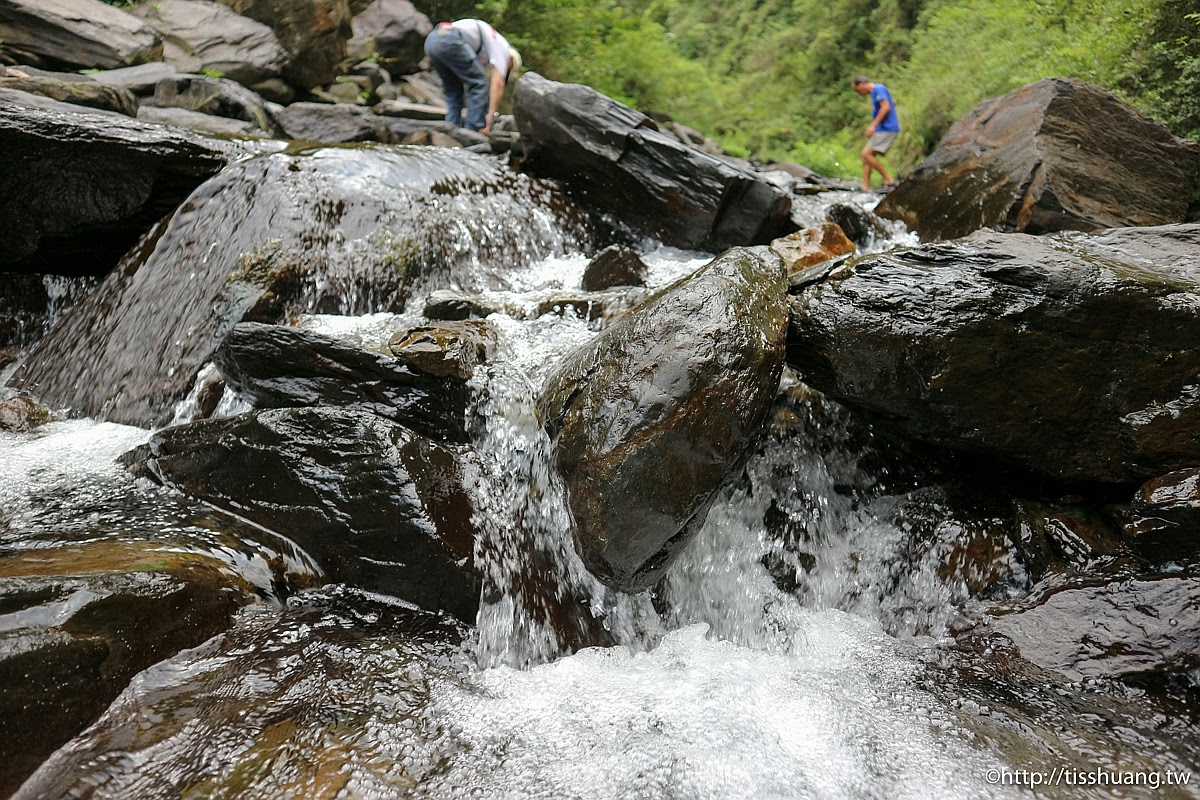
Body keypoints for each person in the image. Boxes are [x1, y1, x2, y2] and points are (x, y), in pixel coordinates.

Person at [424, 19, 522, 134]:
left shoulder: (487, 47)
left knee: (454, 91)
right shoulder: (503, 48)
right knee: (479, 83)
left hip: (432, 41)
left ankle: (450, 130)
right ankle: (473, 130)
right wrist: (491, 115)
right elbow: (498, 82)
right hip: (449, 39)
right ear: (512, 60)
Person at [851, 75, 899, 192]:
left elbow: (886, 107)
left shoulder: (879, 88)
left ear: (862, 83)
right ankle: (865, 187)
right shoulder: (874, 92)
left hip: (887, 128)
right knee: (865, 157)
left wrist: (873, 125)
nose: (859, 93)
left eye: (858, 90)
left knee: (866, 154)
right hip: (882, 129)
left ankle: (888, 179)